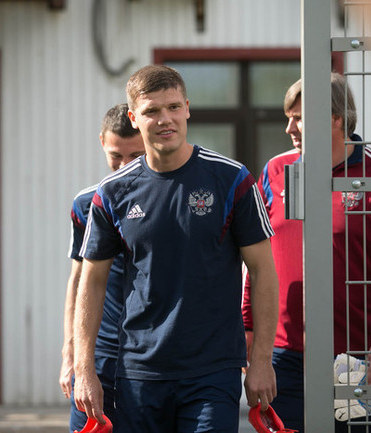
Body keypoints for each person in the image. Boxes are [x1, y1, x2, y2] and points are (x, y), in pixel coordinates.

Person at [73, 64, 279, 433]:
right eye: (152, 110)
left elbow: (263, 271)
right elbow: (91, 282)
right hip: (138, 372)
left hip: (212, 370)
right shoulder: (112, 193)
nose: (164, 119)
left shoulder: (232, 180)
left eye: (172, 107)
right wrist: (83, 368)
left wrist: (262, 359)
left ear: (187, 108)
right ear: (134, 118)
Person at [242, 73, 371, 432]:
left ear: (334, 118)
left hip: (358, 358)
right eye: (288, 117)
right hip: (283, 356)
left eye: (298, 118)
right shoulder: (276, 170)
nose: (289, 128)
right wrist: (247, 328)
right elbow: (256, 258)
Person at [59, 103, 145, 433]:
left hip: (152, 358)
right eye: (115, 156)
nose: (125, 165)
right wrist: (70, 353)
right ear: (102, 143)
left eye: (135, 155)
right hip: (101, 354)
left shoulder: (170, 199)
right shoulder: (87, 203)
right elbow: (78, 279)